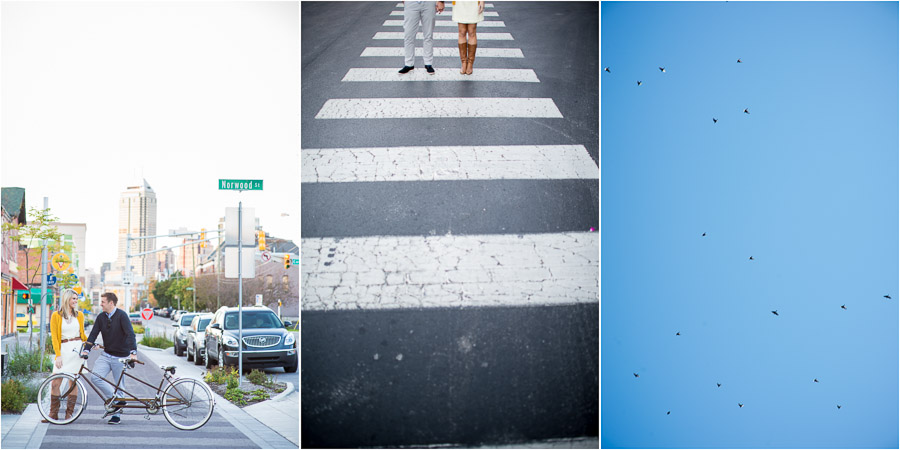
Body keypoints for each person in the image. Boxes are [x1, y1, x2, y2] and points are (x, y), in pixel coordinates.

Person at [81, 293, 137, 425]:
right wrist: (86, 349)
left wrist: (133, 353)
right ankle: (117, 399)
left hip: (121, 357)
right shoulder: (101, 317)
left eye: (103, 302)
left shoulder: (122, 316)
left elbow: (130, 334)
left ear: (111, 303)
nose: (101, 304)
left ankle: (116, 416)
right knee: (95, 377)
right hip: (106, 355)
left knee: (119, 386)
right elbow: (94, 333)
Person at [42, 289, 88, 423]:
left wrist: (89, 343)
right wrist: (58, 355)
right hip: (63, 349)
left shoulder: (79, 315)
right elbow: (55, 338)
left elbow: (82, 334)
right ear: (66, 299)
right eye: (73, 298)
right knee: (55, 383)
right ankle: (53, 414)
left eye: (76, 299)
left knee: (73, 383)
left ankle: (69, 414)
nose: (75, 301)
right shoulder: (56, 315)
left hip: (76, 350)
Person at [399, 1, 446, 74]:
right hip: (411, 3)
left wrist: (441, 1)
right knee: (409, 34)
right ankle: (408, 63)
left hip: (429, 3)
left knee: (428, 35)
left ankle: (428, 63)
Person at [453, 1, 485, 75]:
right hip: (459, 3)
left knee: (472, 31)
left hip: (474, 3)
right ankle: (463, 63)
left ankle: (470, 63)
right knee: (462, 32)